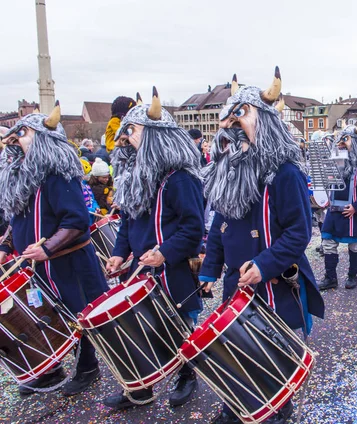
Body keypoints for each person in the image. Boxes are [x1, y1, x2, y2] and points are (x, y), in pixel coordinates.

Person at [199, 69, 325, 424]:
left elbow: (300, 233)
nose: (230, 124)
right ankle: (234, 408)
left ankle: (278, 414)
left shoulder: (286, 173)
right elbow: (219, 226)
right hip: (236, 288)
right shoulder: (228, 171)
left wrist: (264, 264)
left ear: (264, 121)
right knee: (238, 354)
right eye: (229, 116)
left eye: (241, 114)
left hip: (274, 289)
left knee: (275, 366)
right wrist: (210, 268)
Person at [103, 88, 206, 409]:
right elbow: (129, 221)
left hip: (170, 271)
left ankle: (187, 375)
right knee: (138, 333)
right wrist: (120, 252)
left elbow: (193, 228)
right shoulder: (135, 177)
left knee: (178, 330)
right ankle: (140, 388)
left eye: (132, 132)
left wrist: (164, 252)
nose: (126, 139)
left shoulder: (180, 179)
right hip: (138, 273)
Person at [0, 103, 109, 396]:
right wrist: (6, 246)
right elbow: (16, 219)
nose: (14, 140)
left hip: (67, 262)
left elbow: (76, 220)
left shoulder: (59, 176)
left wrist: (48, 248)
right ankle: (52, 368)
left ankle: (87, 366)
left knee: (77, 313)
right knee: (45, 315)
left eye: (22, 134)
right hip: (37, 266)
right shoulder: (24, 179)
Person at [318, 122, 357, 291]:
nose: (341, 143)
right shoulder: (335, 161)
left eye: (345, 139)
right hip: (334, 211)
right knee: (328, 242)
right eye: (340, 140)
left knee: (354, 245)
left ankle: (352, 276)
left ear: (355, 141)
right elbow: (328, 185)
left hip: (352, 213)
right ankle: (330, 278)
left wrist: (356, 207)